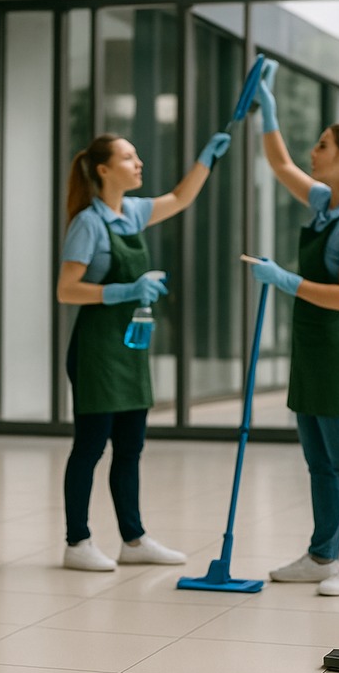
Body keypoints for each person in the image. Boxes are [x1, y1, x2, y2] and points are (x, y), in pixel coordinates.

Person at [246, 71, 339, 596]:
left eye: (323, 145)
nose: (313, 151)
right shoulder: (325, 201)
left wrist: (284, 279)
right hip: (311, 344)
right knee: (317, 457)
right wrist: (269, 110)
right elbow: (280, 163)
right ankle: (323, 553)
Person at [56, 129, 227, 570]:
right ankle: (77, 542)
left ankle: (133, 540)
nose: (139, 164)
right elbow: (67, 290)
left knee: (130, 446)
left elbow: (180, 198)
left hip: (130, 349)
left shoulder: (131, 211)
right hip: (96, 350)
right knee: (90, 447)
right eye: (129, 158)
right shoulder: (88, 223)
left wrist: (205, 158)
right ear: (104, 169)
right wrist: (126, 289)